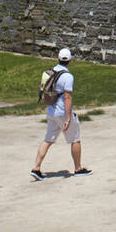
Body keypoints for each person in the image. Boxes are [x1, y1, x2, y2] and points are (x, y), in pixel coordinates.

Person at [31, 48, 91, 180]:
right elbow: (67, 97)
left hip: (51, 110)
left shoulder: (49, 72)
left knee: (48, 140)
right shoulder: (68, 77)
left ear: (57, 58)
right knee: (75, 139)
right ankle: (78, 168)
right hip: (62, 112)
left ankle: (36, 168)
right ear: (69, 60)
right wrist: (69, 117)